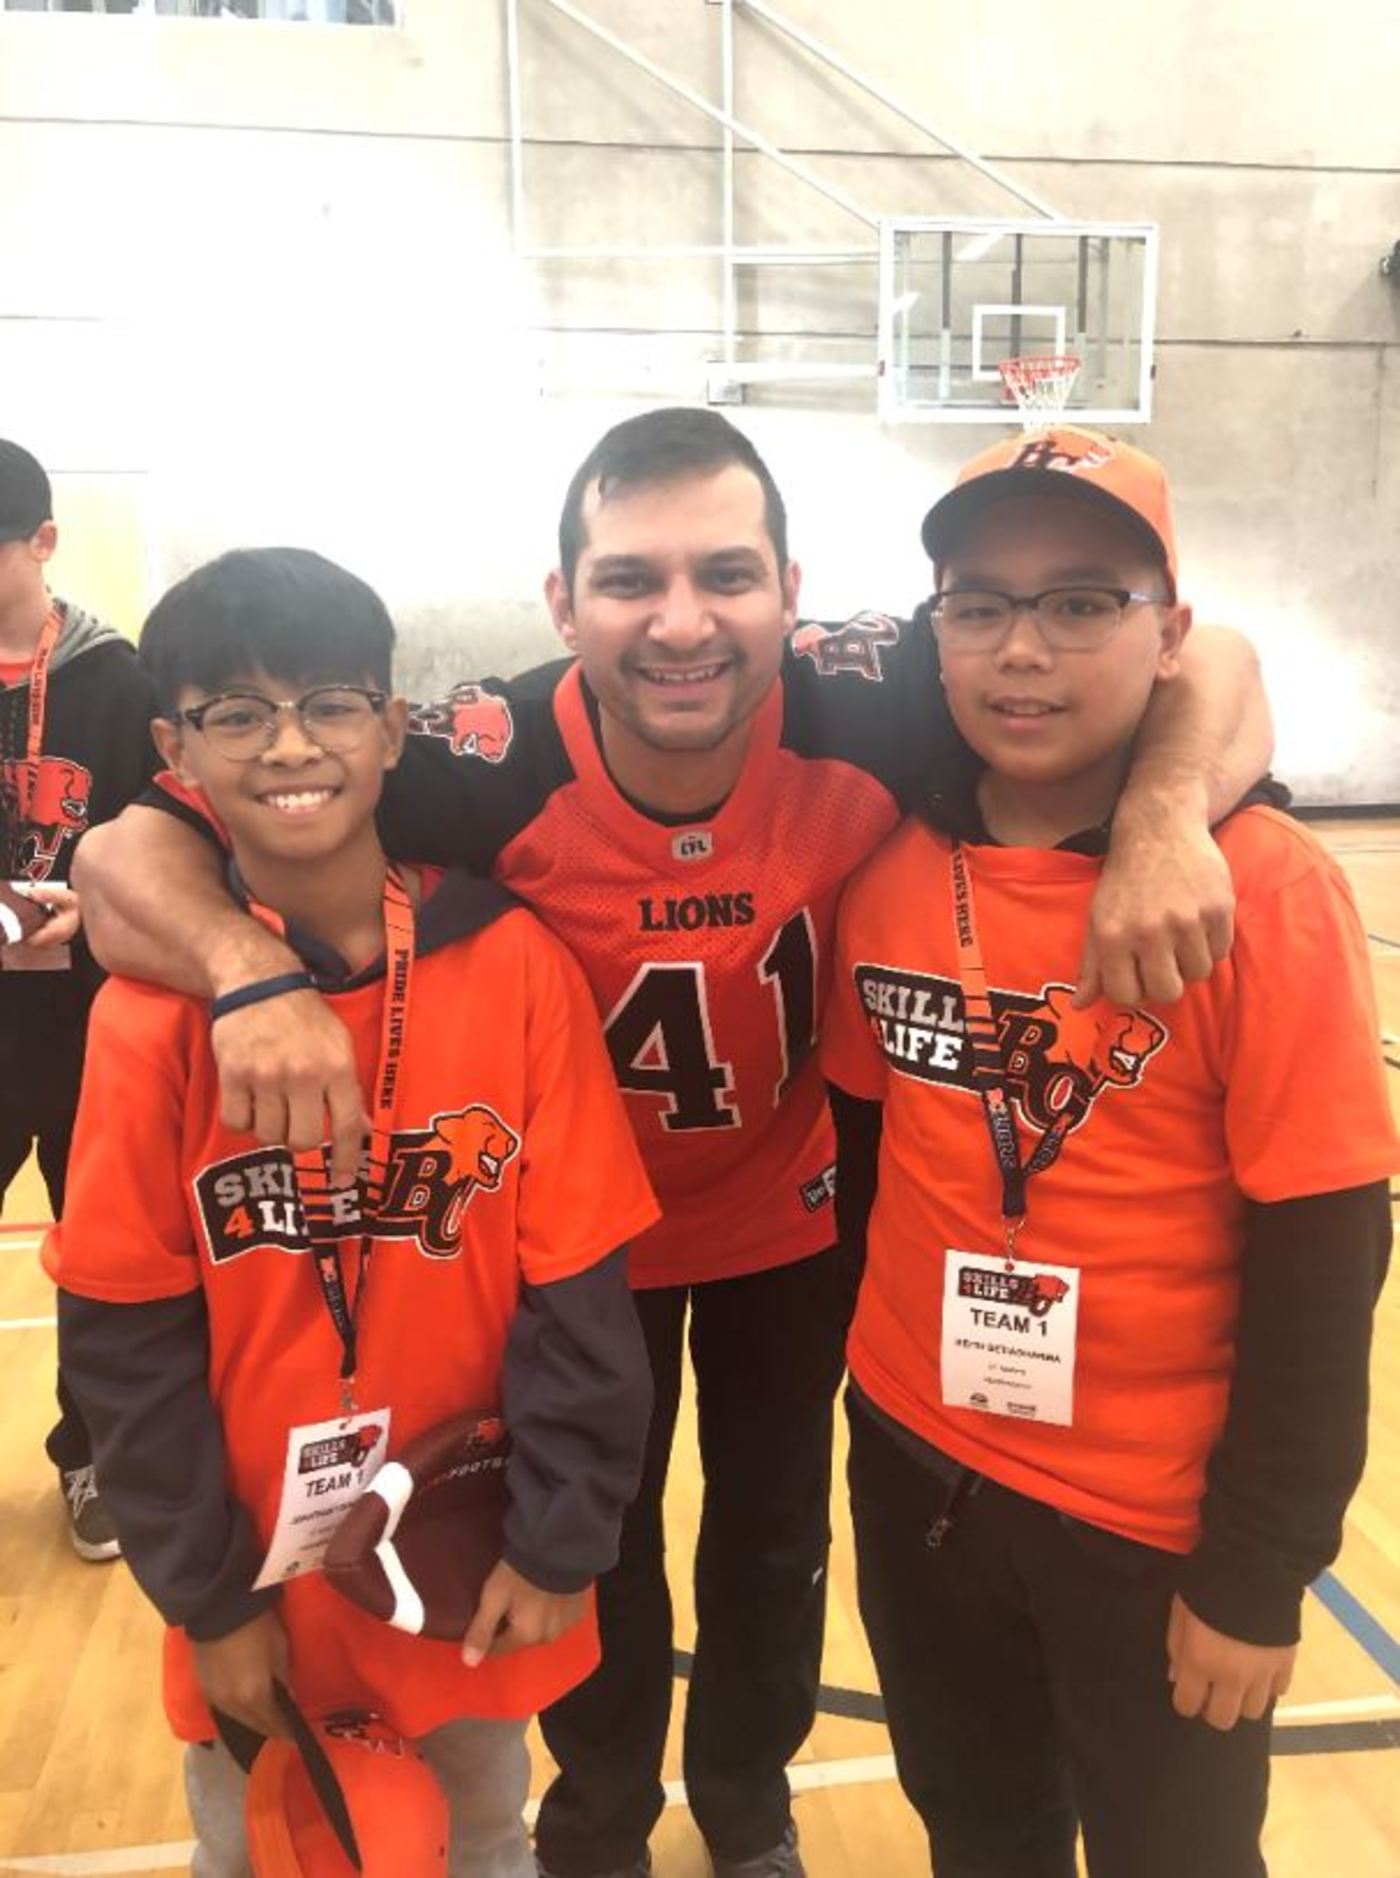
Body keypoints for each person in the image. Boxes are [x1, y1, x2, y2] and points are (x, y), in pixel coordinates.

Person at [72, 409, 1273, 1878]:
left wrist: (1163, 820)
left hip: (796, 1211)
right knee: (594, 1547)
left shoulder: (870, 696)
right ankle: (597, 1823)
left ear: (795, 590)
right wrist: (244, 973)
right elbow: (124, 848)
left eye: (726, 572)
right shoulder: (486, 757)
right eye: (632, 579)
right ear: (563, 601)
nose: (683, 621)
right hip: (577, 1240)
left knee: (773, 1538)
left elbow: (1212, 657)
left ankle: (750, 1805)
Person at [820, 427, 1397, 1878]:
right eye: (984, 606)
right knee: (981, 1835)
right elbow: (869, 1162)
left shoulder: (1268, 894)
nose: (1026, 650)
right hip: (918, 1466)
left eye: (1082, 602)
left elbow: (1329, 1254)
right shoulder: (888, 874)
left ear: (1168, 636)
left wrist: (1260, 1570)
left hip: (1152, 1520)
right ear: (934, 635)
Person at [43, 547, 658, 1878]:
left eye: (328, 702)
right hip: (254, 1568)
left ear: (391, 728)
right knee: (263, 1847)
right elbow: (120, 1334)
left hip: (458, 1550)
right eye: (236, 713)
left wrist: (559, 1535)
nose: (288, 744)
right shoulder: (149, 1022)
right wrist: (207, 1593)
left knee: (483, 1834)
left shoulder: (515, 968)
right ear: (174, 749)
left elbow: (580, 1291)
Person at [0, 436, 159, 1560]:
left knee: (102, 1253)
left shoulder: (119, 677)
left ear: (44, 543)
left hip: (95, 1015)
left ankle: (90, 1454)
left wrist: (96, 913)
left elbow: (170, 847)